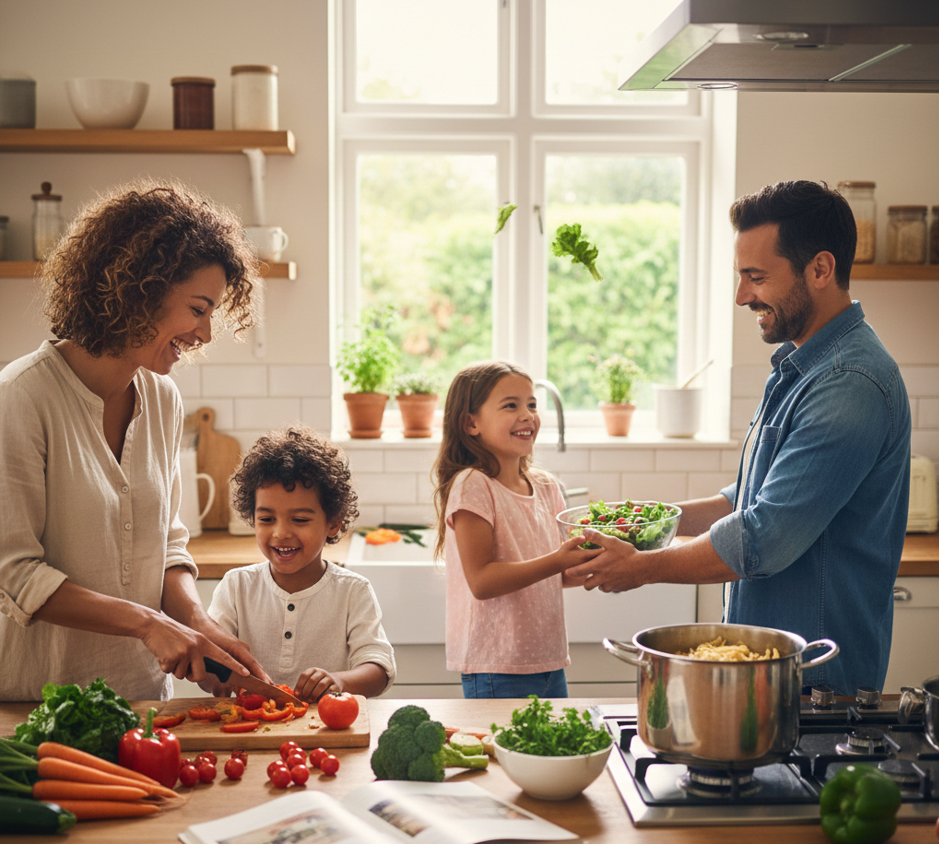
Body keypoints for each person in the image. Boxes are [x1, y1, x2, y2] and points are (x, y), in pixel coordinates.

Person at [569, 180, 911, 696]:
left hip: (816, 684)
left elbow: (764, 537)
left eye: (756, 277)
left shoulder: (848, 383)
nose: (741, 296)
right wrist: (647, 521)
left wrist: (641, 566)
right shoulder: (803, 368)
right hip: (772, 673)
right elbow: (747, 500)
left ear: (821, 269)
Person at [0, 179, 270, 702]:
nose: (206, 333)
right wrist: (149, 624)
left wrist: (196, 621)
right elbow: (16, 574)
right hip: (36, 706)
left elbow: (166, 544)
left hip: (142, 699)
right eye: (198, 309)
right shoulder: (21, 398)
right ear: (138, 291)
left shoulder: (162, 399)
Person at [432, 360, 600, 699]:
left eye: (532, 405)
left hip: (548, 660)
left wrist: (594, 564)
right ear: (471, 423)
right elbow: (481, 581)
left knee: (551, 752)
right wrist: (558, 561)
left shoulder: (546, 486)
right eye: (511, 405)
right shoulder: (473, 485)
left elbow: (559, 573)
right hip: (496, 665)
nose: (528, 415)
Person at [206, 425, 395, 701]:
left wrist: (339, 681)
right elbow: (209, 663)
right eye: (267, 519)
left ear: (332, 523)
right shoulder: (236, 586)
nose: (281, 533)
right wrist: (215, 677)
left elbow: (379, 669)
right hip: (250, 728)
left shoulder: (353, 591)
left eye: (300, 520)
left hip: (326, 731)